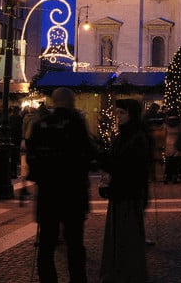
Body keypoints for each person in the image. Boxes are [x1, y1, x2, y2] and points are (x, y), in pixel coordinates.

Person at [26, 88, 99, 283]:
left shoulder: (41, 124)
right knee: (75, 243)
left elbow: (32, 157)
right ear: (70, 101)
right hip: (73, 192)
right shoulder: (76, 123)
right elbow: (89, 154)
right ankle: (77, 279)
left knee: (47, 243)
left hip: (48, 193)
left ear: (54, 101)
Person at [97, 98, 150, 283]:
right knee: (118, 234)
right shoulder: (123, 135)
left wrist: (105, 161)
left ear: (132, 114)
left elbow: (129, 166)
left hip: (129, 192)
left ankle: (127, 272)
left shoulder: (136, 137)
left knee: (127, 235)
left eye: (122, 113)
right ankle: (118, 270)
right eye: (117, 113)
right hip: (120, 191)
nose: (118, 116)